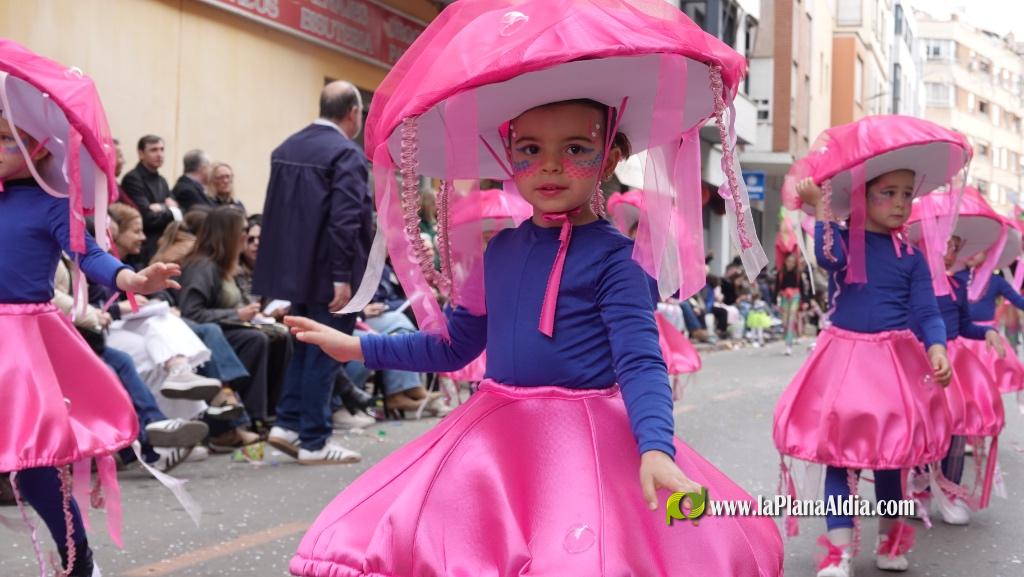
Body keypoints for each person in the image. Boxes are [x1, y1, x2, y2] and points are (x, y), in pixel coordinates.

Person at [282, 4, 784, 567]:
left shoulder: (617, 262)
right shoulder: (501, 251)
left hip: (587, 446)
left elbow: (641, 363)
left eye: (575, 149)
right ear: (508, 156)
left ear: (610, 156)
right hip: (494, 446)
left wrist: (656, 449)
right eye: (531, 150)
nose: (550, 167)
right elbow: (455, 345)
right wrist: (357, 346)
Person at [0, 90, 179, 575]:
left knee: (36, 464)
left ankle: (80, 561)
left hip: (20, 345)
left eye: (4, 140)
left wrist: (131, 278)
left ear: (38, 148)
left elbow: (90, 255)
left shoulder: (51, 203)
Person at [775, 171, 954, 576]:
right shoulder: (844, 241)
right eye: (887, 193)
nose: (899, 202)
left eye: (907, 194)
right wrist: (820, 207)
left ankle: (890, 544)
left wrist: (938, 348)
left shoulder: (912, 258)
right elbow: (827, 258)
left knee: (892, 459)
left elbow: (927, 311)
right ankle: (838, 555)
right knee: (839, 458)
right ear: (861, 198)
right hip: (844, 360)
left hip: (893, 364)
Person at [256, 80, 373, 464]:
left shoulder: (286, 148)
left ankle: (287, 423)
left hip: (295, 271)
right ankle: (314, 440)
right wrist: (342, 276)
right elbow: (345, 219)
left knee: (305, 348)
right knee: (327, 350)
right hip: (330, 271)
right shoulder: (346, 154)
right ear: (353, 113)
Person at [179, 206, 282, 447]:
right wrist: (236, 314)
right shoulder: (202, 266)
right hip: (206, 332)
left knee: (281, 337)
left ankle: (268, 414)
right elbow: (192, 312)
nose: (246, 236)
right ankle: (244, 415)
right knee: (256, 341)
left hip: (225, 327)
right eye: (243, 231)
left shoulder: (224, 266)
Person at [121, 134, 179, 264]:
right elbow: (146, 217)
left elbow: (179, 213)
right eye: (153, 150)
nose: (159, 154)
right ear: (141, 154)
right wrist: (169, 209)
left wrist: (162, 208)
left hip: (163, 245)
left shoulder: (162, 181)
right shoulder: (133, 179)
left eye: (162, 149)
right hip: (143, 249)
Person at [171, 149, 213, 214]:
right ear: (203, 168)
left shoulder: (195, 188)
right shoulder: (186, 191)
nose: (211, 170)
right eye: (209, 166)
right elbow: (203, 215)